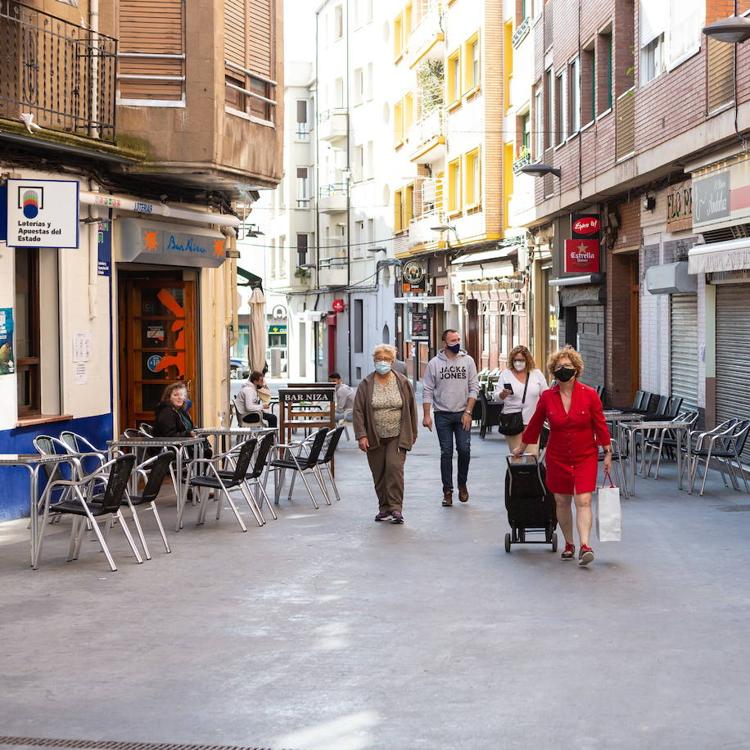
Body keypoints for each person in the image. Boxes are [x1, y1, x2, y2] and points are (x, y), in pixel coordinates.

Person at [512, 346, 612, 566]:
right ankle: (569, 543)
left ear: (576, 369)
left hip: (585, 454)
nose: (563, 369)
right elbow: (536, 423)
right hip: (557, 456)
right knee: (562, 500)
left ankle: (585, 545)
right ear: (553, 371)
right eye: (559, 367)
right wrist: (522, 446)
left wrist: (607, 451)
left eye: (567, 366)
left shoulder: (590, 395)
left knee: (583, 499)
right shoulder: (548, 397)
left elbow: (600, 424)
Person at [353, 344, 418, 524]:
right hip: (374, 435)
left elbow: (412, 408)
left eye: (386, 359)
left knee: (394, 469)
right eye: (379, 359)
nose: (382, 362)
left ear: (392, 361)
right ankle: (384, 508)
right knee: (379, 472)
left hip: (397, 434)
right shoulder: (366, 384)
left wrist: (412, 432)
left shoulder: (402, 381)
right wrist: (361, 435)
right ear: (374, 361)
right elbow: (358, 411)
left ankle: (396, 509)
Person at [422, 329, 480, 507]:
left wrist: (468, 412)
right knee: (446, 452)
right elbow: (427, 390)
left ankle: (462, 483)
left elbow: (474, 388)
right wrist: (426, 415)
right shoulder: (434, 364)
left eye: (458, 339)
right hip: (442, 415)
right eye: (453, 340)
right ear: (444, 343)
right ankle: (447, 491)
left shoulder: (467, 361)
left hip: (463, 413)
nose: (457, 343)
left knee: (464, 449)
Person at [495, 345, 548, 456]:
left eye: (521, 360)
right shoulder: (506, 374)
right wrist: (503, 394)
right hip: (512, 421)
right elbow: (497, 397)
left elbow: (546, 394)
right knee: (517, 456)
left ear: (527, 360)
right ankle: (515, 474)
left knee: (532, 456)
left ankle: (531, 474)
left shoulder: (536, 374)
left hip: (533, 422)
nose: (518, 363)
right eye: (515, 360)